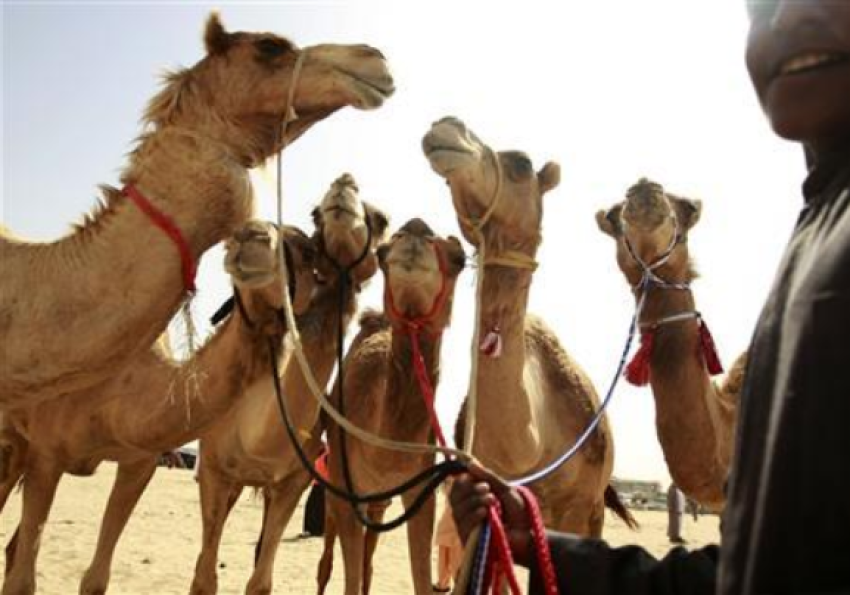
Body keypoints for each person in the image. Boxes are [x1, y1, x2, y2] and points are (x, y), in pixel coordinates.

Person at [450, 1, 850, 593]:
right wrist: (542, 547)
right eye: (758, 4)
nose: (783, 16)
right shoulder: (817, 235)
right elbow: (774, 568)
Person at [433, 477, 465, 593]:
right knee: (443, 570)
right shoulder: (448, 474)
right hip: (447, 527)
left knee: (458, 567)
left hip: (458, 530)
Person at [300, 445, 329, 539]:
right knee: (312, 506)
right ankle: (311, 529)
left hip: (324, 484)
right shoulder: (319, 455)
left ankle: (317, 530)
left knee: (318, 507)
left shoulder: (327, 454)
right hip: (317, 484)